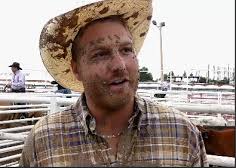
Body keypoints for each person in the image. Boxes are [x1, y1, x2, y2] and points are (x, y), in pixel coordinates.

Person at [20, 0, 208, 166]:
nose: (120, 65)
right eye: (100, 54)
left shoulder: (181, 133)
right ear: (76, 69)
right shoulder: (44, 140)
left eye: (126, 50)